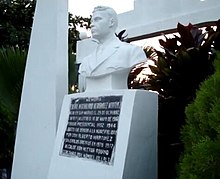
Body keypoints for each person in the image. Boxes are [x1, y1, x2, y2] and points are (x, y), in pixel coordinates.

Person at [78, 6, 147, 91]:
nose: (92, 24)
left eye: (97, 19)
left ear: (111, 22)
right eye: (92, 21)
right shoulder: (86, 62)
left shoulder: (131, 52)